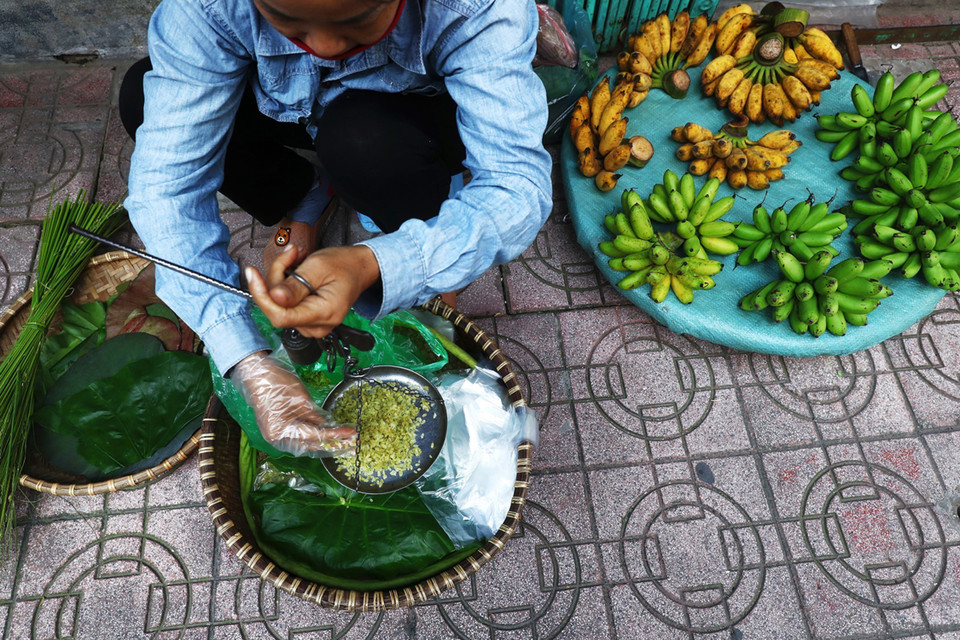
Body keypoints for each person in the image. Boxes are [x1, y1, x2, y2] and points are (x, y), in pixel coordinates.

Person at [120, 0, 553, 456]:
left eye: (357, 18)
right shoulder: (207, 8)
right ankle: (304, 193)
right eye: (288, 21)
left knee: (363, 144)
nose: (324, 47)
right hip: (286, 103)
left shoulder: (477, 7)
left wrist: (378, 264)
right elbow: (167, 190)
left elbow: (516, 188)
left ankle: (430, 239)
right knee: (141, 98)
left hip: (406, 114)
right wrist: (246, 359)